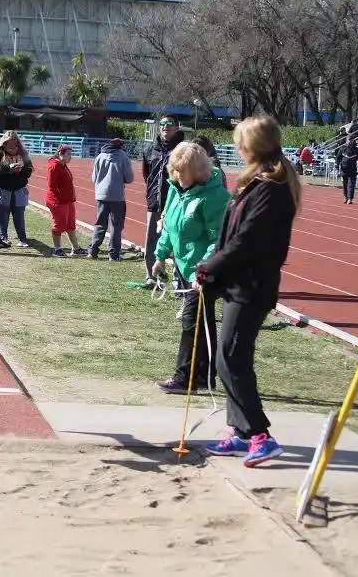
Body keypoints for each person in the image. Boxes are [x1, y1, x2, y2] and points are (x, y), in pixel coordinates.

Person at [197, 116, 301, 467]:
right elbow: (229, 236)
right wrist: (211, 267)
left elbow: (248, 241)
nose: (239, 149)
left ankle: (260, 435)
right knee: (231, 356)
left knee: (231, 357)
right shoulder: (252, 183)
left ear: (253, 146)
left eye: (242, 143)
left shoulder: (272, 188)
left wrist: (213, 266)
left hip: (253, 286)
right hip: (236, 282)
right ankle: (241, 432)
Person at [152, 142, 230, 394]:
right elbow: (170, 226)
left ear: (197, 171)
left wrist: (203, 269)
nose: (177, 176)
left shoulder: (214, 197)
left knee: (191, 320)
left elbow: (218, 238)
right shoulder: (177, 190)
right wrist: (159, 255)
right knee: (202, 322)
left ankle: (184, 376)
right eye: (174, 170)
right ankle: (204, 377)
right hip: (184, 268)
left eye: (182, 171)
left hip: (204, 271)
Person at [142, 116, 184, 286]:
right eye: (163, 124)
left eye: (170, 124)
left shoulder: (182, 150)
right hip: (155, 202)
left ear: (176, 128)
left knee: (176, 242)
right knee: (151, 241)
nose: (166, 127)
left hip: (176, 203)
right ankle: (151, 277)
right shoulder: (150, 149)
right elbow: (147, 175)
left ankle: (176, 279)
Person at [89, 138, 134, 261]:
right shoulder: (123, 157)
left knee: (100, 223)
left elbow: (94, 178)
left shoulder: (100, 156)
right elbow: (129, 178)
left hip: (101, 195)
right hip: (117, 196)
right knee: (116, 226)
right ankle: (113, 254)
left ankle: (93, 250)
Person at [0, 130, 33, 248]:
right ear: (5, 141)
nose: (13, 142)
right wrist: (9, 168)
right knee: (2, 215)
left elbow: (29, 169)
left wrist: (21, 169)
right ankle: (3, 237)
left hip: (19, 189)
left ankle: (22, 239)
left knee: (19, 214)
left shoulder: (23, 153)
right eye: (10, 140)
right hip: (3, 188)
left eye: (15, 139)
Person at [46, 143, 85, 257]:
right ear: (60, 154)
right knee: (58, 224)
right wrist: (60, 197)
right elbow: (52, 186)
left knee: (70, 224)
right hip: (58, 201)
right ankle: (57, 249)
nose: (70, 157)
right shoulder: (54, 166)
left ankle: (76, 249)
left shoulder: (63, 164)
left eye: (70, 154)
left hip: (67, 200)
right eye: (68, 154)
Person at [337, 134, 358, 204]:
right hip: (344, 169)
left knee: (351, 184)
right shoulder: (342, 148)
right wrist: (337, 166)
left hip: (353, 169)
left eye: (352, 140)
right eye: (349, 140)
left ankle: (350, 198)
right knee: (345, 184)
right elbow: (338, 158)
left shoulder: (356, 149)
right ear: (347, 140)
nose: (351, 141)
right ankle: (345, 196)